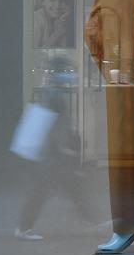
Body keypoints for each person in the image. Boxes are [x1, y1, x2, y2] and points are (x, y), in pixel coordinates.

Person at [15, 55, 94, 240]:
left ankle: (91, 218)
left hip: (51, 152)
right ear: (59, 74)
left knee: (69, 185)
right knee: (44, 188)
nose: (72, 75)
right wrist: (65, 147)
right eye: (68, 72)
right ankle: (23, 228)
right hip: (52, 153)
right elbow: (55, 125)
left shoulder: (51, 91)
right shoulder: (55, 96)